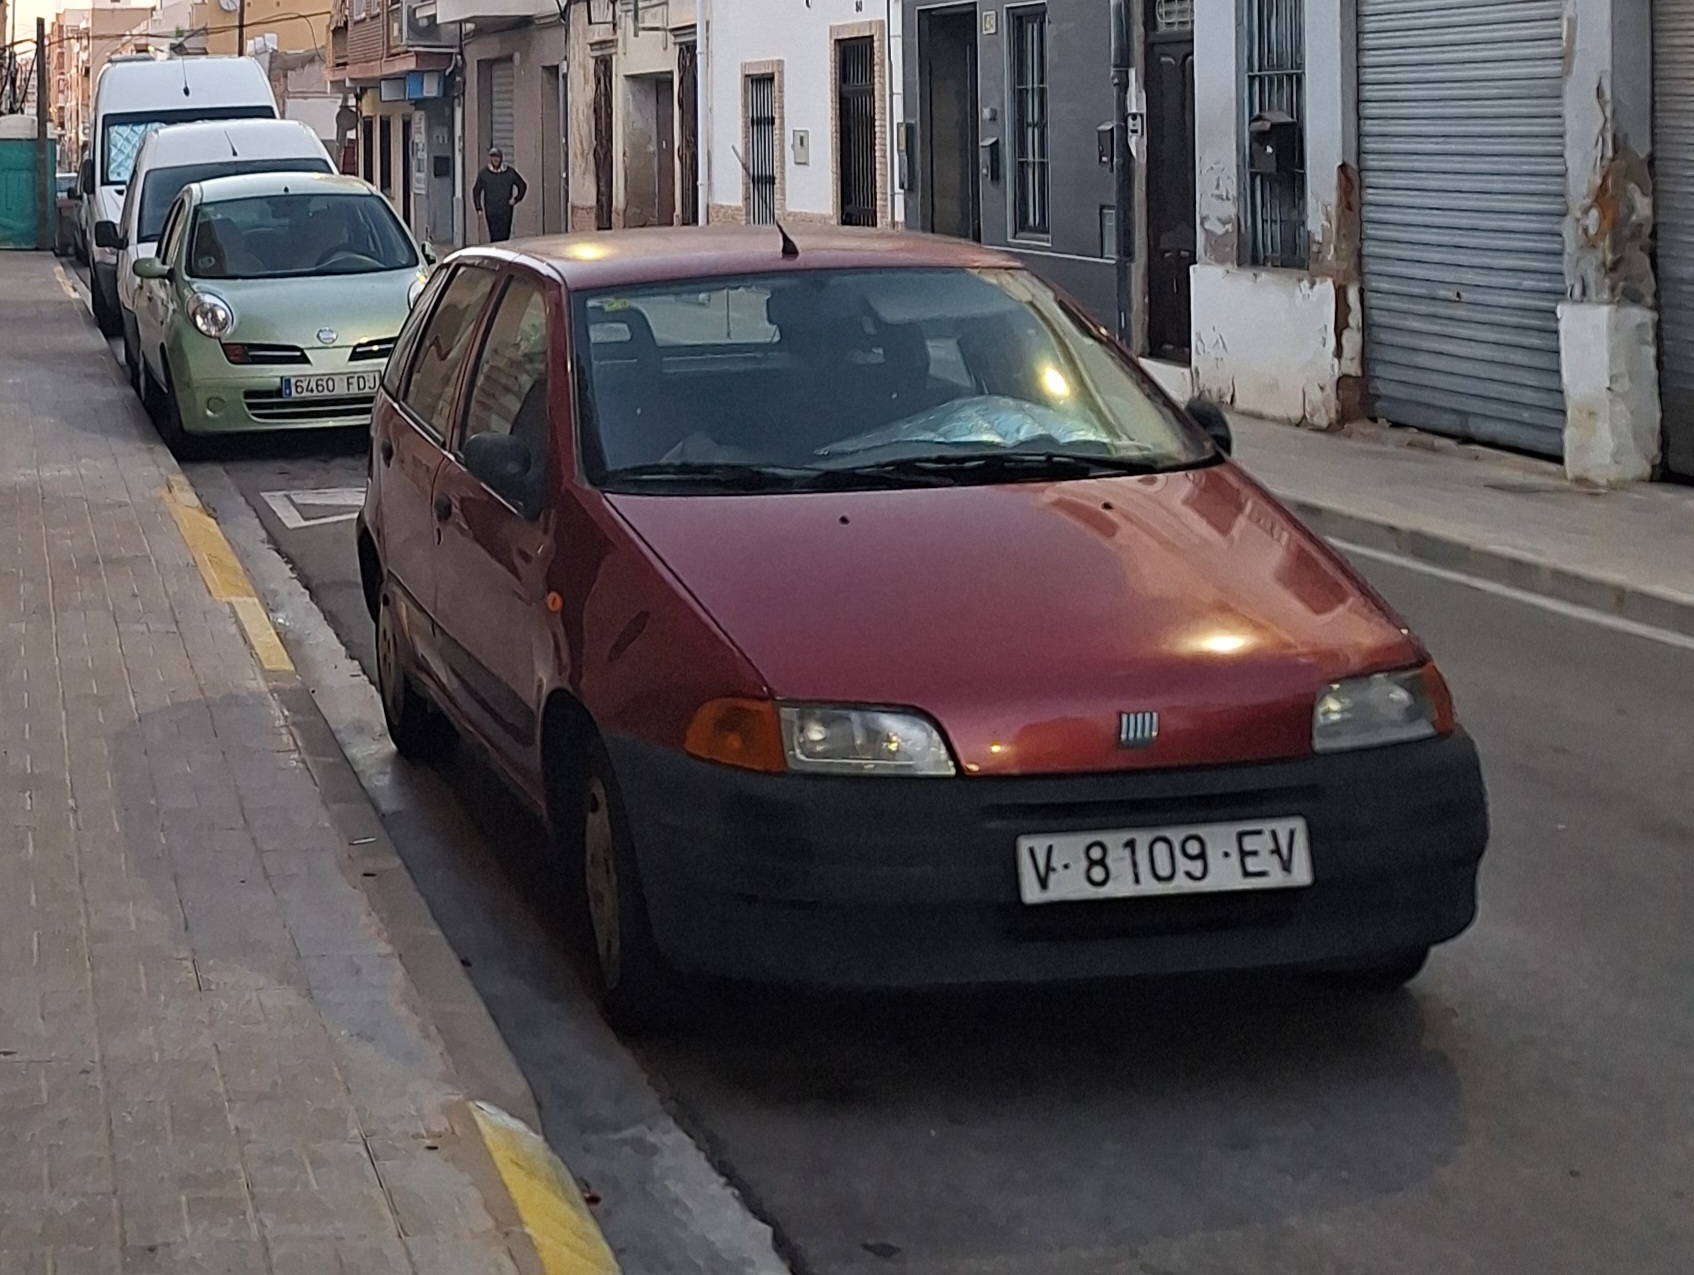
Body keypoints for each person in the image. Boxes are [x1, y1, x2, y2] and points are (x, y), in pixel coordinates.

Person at [473, 148, 527, 244]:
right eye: (493, 157)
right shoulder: (484, 174)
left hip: (505, 209)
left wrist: (516, 199)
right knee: (493, 234)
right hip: (491, 209)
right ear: (490, 158)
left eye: (497, 157)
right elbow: (476, 191)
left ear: (501, 158)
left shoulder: (509, 172)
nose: (495, 160)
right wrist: (478, 208)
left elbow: (522, 185)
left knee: (505, 235)